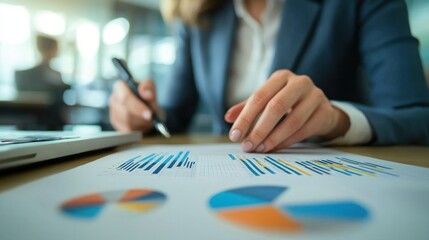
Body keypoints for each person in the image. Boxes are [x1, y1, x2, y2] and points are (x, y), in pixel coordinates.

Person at [109, 0, 429, 152]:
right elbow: (173, 115)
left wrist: (335, 119)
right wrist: (144, 114)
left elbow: (417, 117)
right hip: (223, 176)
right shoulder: (196, 14)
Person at [15, 34, 69, 129]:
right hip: (36, 118)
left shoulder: (56, 73)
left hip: (55, 120)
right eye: (56, 48)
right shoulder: (27, 74)